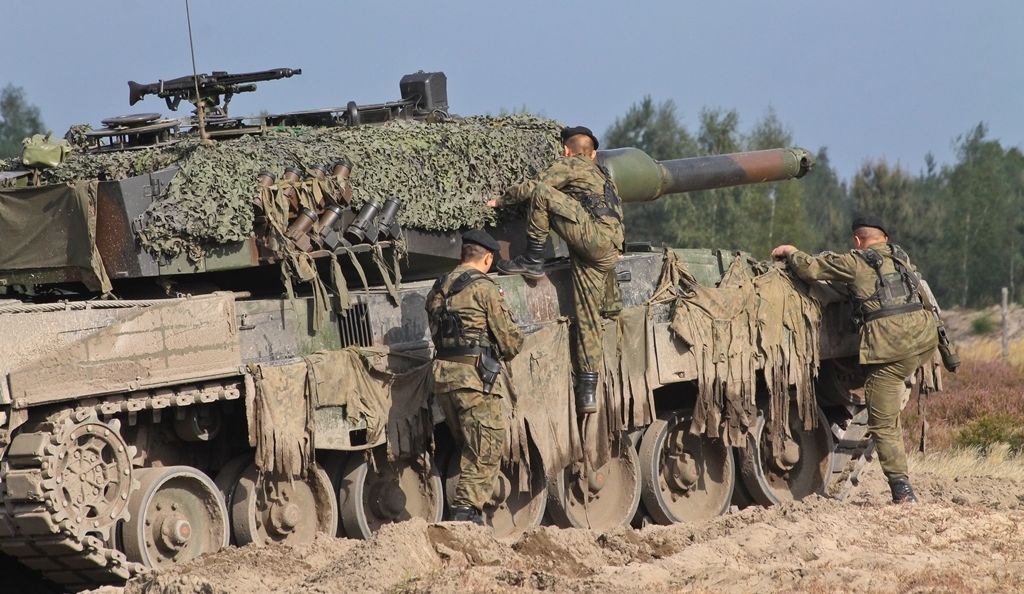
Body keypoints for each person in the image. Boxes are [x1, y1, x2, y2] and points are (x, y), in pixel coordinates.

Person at [771, 215, 938, 504]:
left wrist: (791, 251)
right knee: (890, 397)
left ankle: (903, 491)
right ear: (885, 238)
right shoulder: (900, 257)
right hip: (924, 341)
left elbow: (811, 269)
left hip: (890, 349)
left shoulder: (855, 261)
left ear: (858, 241)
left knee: (883, 422)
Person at [489, 125, 623, 415]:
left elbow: (534, 187)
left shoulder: (570, 164)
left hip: (593, 240)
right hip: (610, 250)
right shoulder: (604, 177)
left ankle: (533, 259)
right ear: (594, 153)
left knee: (541, 192)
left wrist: (500, 200)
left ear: (566, 150)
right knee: (588, 318)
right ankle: (587, 390)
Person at [426, 229, 524, 524]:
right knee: (485, 448)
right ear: (488, 258)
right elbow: (509, 342)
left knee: (470, 447)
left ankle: (465, 510)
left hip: (444, 378)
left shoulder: (438, 287)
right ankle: (465, 516)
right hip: (475, 379)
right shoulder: (485, 288)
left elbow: (438, 335)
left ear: (463, 254)